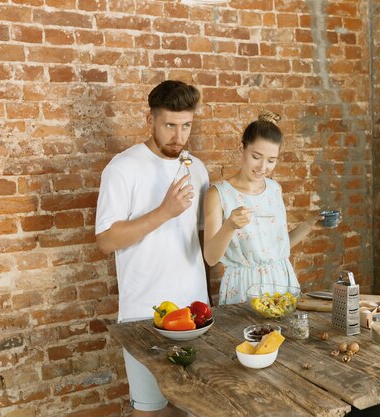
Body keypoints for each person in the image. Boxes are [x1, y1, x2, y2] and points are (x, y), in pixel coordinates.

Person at [95, 80, 210, 417]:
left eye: (186, 125)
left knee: (195, 407)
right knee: (150, 411)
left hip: (194, 313)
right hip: (144, 313)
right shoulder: (122, 168)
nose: (179, 136)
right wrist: (163, 212)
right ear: (151, 120)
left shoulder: (197, 168)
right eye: (170, 125)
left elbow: (201, 241)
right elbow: (106, 240)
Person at [203, 110, 325, 305]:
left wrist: (309, 225)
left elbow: (276, 249)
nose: (263, 167)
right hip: (244, 289)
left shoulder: (275, 189)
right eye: (256, 156)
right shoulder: (218, 194)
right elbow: (210, 258)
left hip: (282, 283)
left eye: (271, 160)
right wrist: (229, 226)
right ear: (241, 149)